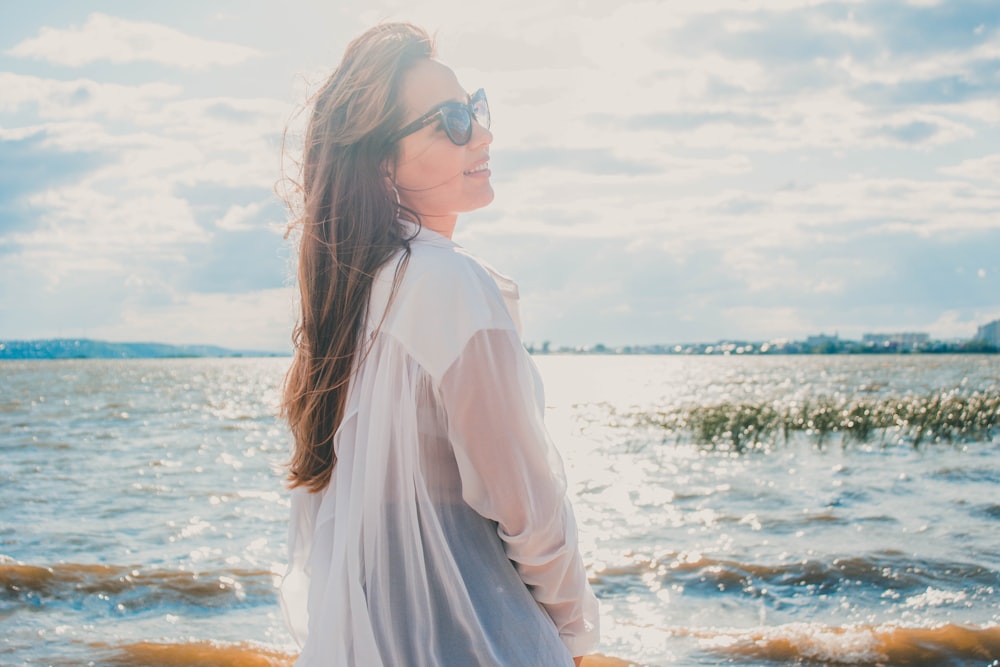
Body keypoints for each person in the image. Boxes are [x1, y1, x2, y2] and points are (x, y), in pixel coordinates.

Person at [279, 23, 600, 666]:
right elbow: (528, 509)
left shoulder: (355, 295)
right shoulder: (447, 284)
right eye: (451, 121)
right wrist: (576, 639)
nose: (483, 133)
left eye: (475, 107)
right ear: (382, 163)